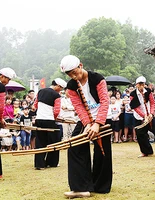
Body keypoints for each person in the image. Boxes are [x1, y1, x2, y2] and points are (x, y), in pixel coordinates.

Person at [60, 55, 112, 198]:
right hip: (85, 120)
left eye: (74, 72)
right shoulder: (71, 87)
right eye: (69, 74)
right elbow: (78, 107)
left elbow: (104, 102)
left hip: (102, 118)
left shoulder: (97, 78)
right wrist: (88, 124)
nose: (73, 76)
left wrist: (97, 124)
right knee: (75, 147)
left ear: (81, 66)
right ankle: (80, 187)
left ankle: (100, 186)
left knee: (103, 152)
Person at [130, 76, 155, 158]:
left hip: (150, 116)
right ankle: (146, 152)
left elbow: (152, 103)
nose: (142, 86)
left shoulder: (148, 91)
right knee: (141, 135)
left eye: (143, 84)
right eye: (140, 84)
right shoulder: (133, 94)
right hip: (139, 117)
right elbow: (135, 107)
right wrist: (144, 116)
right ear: (137, 85)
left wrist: (151, 113)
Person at [33, 78, 66, 170]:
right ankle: (51, 162)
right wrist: (54, 118)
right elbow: (56, 111)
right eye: (61, 88)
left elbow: (35, 105)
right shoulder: (56, 95)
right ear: (57, 86)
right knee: (54, 141)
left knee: (40, 141)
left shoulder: (40, 91)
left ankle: (39, 164)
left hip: (39, 119)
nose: (61, 90)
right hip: (49, 120)